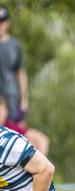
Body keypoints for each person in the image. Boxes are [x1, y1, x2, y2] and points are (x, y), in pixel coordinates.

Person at [0, 6, 49, 155]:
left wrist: (24, 102)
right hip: (2, 106)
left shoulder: (15, 46)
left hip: (13, 101)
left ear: (7, 23)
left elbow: (21, 73)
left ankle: (34, 176)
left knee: (40, 142)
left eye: (2, 22)